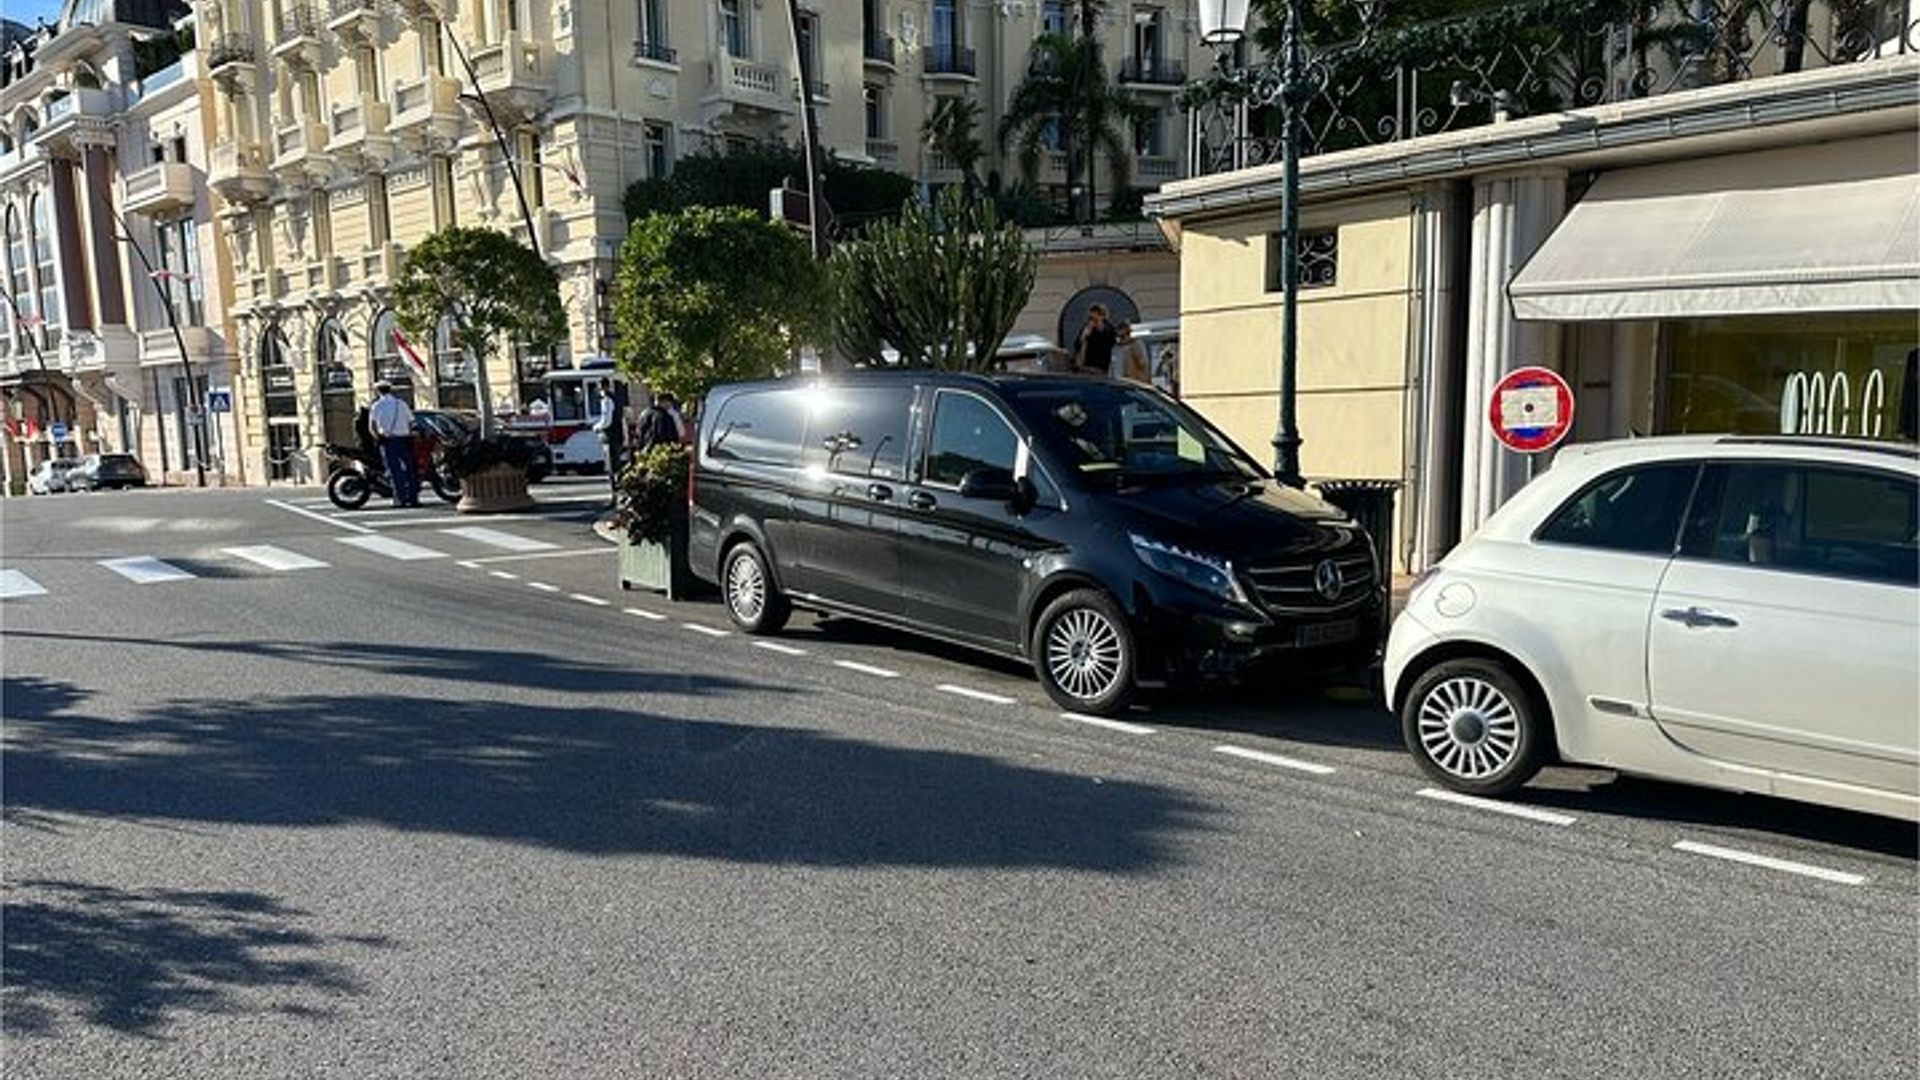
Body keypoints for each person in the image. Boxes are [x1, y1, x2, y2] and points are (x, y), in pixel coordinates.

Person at [367, 380, 419, 507]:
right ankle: (412, 499)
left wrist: (377, 438)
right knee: (409, 470)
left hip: (388, 441)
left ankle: (400, 499)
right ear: (390, 390)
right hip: (404, 440)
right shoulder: (401, 404)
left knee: (394, 471)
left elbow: (372, 426)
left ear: (378, 391)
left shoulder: (377, 406)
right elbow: (412, 422)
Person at [590, 378, 626, 490]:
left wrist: (596, 427)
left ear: (603, 387)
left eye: (599, 387)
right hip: (618, 434)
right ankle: (618, 494)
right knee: (617, 466)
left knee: (611, 467)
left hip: (610, 435)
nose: (598, 390)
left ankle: (615, 496)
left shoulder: (606, 400)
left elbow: (606, 421)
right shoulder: (616, 398)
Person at [1073, 304, 1117, 376]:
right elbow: (1077, 345)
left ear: (1102, 317)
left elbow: (1111, 342)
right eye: (1090, 318)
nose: (1092, 322)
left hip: (1101, 368)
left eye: (1094, 319)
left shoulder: (1109, 330)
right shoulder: (1086, 328)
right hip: (1086, 366)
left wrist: (1100, 329)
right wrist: (1084, 337)